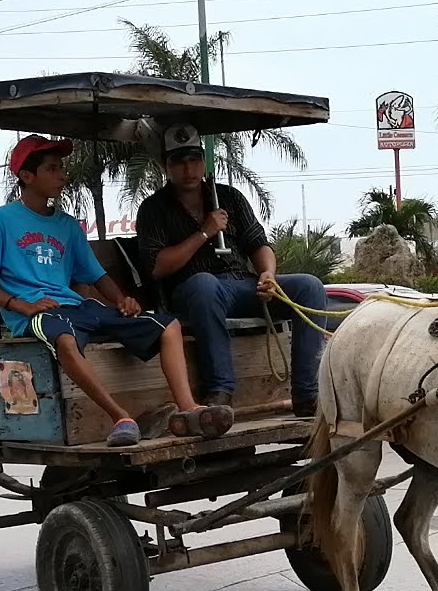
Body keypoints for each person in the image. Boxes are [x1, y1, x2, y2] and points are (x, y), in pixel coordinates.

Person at [0, 134, 234, 447]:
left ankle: (188, 408)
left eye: (61, 168)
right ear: (26, 176)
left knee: (168, 326)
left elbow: (96, 275)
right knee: (65, 339)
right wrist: (20, 306)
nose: (62, 174)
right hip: (39, 313)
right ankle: (121, 417)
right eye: (52, 168)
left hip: (78, 307)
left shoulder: (66, 225)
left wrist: (123, 300)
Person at [135, 125, 332, 416]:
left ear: (203, 162)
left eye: (193, 160)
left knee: (310, 286)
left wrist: (268, 275)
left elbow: (259, 244)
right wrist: (204, 232)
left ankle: (307, 394)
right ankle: (220, 391)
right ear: (167, 166)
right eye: (179, 162)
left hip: (241, 284)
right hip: (192, 292)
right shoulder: (153, 208)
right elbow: (156, 267)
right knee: (204, 284)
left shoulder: (229, 197)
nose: (188, 169)